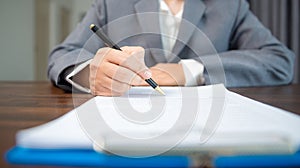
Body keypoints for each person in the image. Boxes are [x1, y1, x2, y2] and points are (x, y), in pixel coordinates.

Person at [48, 0, 295, 96]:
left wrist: (189, 71)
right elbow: (62, 56)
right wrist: (90, 73)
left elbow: (279, 60)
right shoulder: (111, 4)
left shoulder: (230, 6)